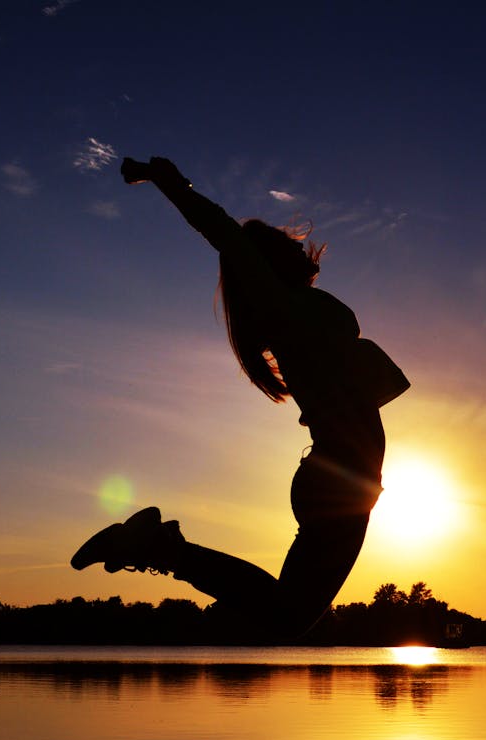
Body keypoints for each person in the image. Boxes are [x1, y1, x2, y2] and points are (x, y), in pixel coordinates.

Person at [71, 157, 409, 642]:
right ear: (265, 263)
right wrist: (172, 183)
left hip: (343, 478)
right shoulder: (282, 306)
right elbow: (225, 234)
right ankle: (160, 550)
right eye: (280, 244)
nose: (295, 246)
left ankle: (161, 549)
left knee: (286, 614)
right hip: (340, 477)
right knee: (287, 615)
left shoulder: (293, 307)